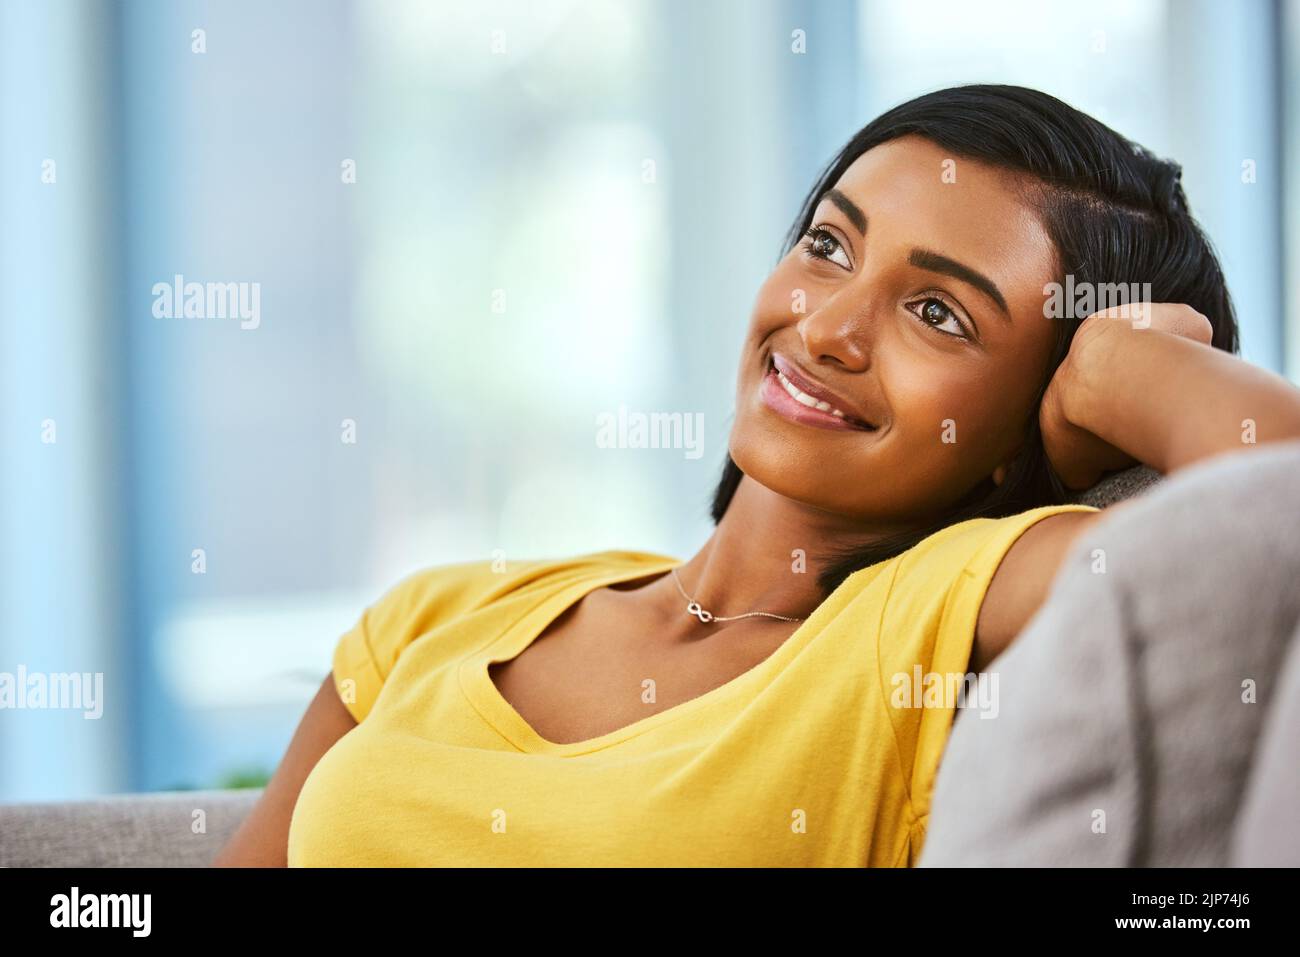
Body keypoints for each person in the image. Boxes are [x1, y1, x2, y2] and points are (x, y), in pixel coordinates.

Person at [214, 85, 1300, 867]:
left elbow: (1270, 505)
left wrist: (1124, 365)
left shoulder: (930, 615)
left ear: (1031, 419)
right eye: (829, 246)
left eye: (938, 313)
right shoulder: (443, 612)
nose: (826, 326)